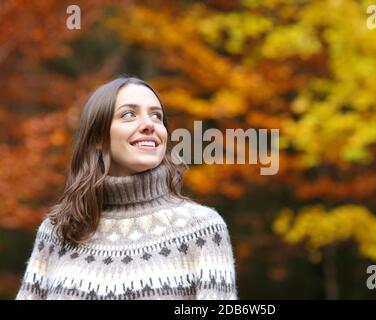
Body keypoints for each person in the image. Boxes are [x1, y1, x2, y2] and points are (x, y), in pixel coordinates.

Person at [15, 77, 238, 300]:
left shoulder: (202, 229)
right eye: (129, 114)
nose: (149, 124)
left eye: (156, 116)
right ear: (97, 138)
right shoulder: (58, 231)